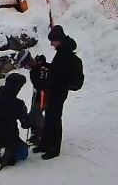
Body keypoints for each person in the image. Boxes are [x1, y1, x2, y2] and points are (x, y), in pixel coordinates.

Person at [38, 25, 80, 160]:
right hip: (55, 90)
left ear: (59, 39)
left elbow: (61, 75)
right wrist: (47, 65)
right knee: (49, 117)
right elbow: (57, 69)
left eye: (52, 41)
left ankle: (54, 148)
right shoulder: (62, 50)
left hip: (59, 91)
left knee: (54, 118)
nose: (51, 44)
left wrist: (49, 81)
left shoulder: (65, 53)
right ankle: (45, 144)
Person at [0, 72, 31, 169]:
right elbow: (26, 124)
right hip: (11, 141)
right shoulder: (18, 104)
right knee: (24, 150)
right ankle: (9, 156)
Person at [27, 55, 49, 148]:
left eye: (25, 64)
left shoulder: (39, 66)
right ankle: (36, 134)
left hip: (46, 95)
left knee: (37, 113)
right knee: (35, 113)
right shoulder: (33, 71)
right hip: (39, 94)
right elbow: (38, 85)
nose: (25, 67)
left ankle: (41, 135)